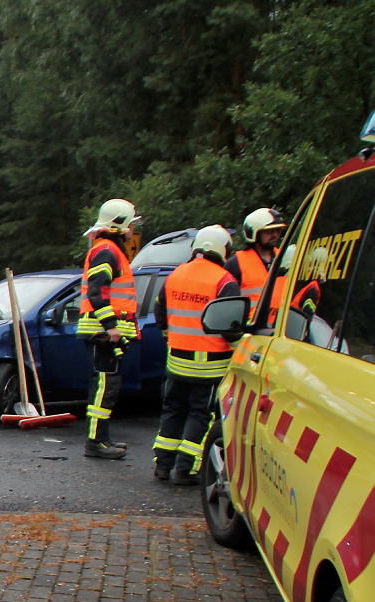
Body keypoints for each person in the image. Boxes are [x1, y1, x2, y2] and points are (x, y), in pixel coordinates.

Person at [152, 225, 241, 485]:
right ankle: (186, 470)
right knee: (201, 415)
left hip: (177, 361)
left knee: (173, 411)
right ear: (224, 249)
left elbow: (159, 313)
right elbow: (231, 327)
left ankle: (162, 466)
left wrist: (173, 336)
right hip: (210, 366)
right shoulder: (225, 281)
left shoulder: (175, 275)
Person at [77, 198, 142, 460]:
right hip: (103, 333)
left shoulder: (108, 250)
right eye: (130, 225)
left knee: (104, 387)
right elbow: (97, 291)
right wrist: (112, 326)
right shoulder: (107, 251)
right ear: (117, 225)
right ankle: (97, 442)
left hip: (103, 332)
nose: (132, 230)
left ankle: (101, 439)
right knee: (105, 387)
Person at [224, 208, 284, 321]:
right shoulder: (236, 263)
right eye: (269, 231)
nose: (275, 235)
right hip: (251, 331)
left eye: (277, 230)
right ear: (254, 233)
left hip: (281, 330)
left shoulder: (284, 258)